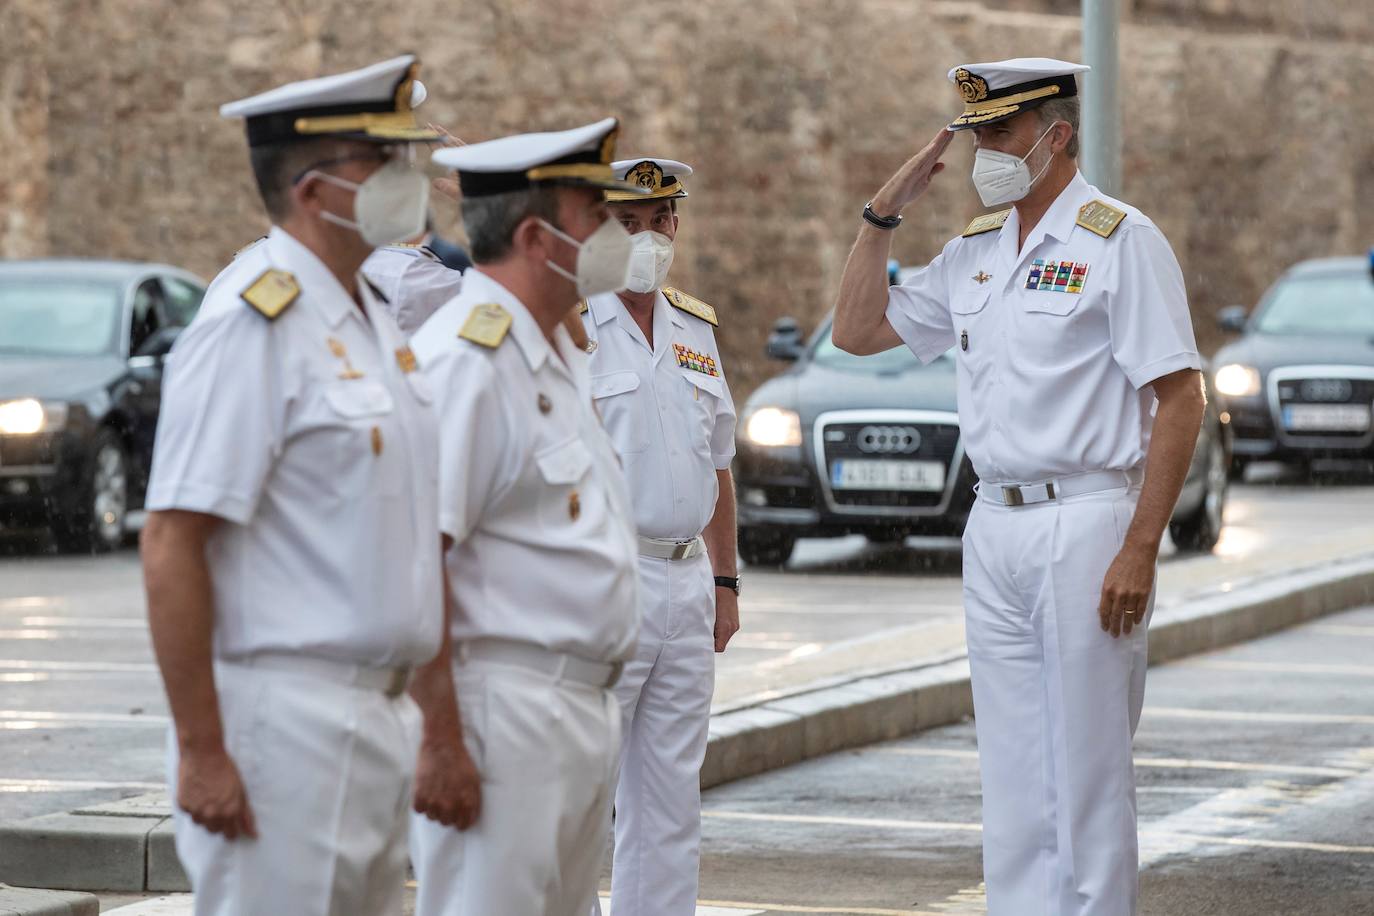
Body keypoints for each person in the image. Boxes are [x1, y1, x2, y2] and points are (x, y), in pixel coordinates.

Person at [831, 58, 1206, 916]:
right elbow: (856, 332)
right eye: (973, 136)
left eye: (998, 133)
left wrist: (1141, 547)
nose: (981, 153)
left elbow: (1181, 396)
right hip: (993, 525)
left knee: (1087, 770)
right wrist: (882, 216)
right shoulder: (974, 251)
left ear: (1056, 134)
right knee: (1012, 772)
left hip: (1085, 521)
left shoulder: (1120, 239)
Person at [140, 54, 473, 916]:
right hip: (285, 723)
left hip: (375, 718)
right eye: (385, 162)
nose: (411, 180)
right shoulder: (256, 319)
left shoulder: (369, 319)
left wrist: (435, 724)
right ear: (314, 187)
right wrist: (202, 749)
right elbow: (174, 538)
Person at [406, 118, 645, 916]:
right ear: (541, 237)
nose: (618, 233)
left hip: (575, 712)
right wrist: (440, 737)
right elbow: (413, 560)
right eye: (599, 217)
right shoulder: (465, 363)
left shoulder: (554, 355)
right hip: (501, 716)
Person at [580, 157, 739, 916]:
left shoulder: (696, 328)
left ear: (676, 224)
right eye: (628, 225)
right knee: (581, 789)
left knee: (671, 793)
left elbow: (720, 466)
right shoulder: (571, 326)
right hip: (606, 578)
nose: (648, 239)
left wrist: (725, 581)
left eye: (658, 222)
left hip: (685, 581)